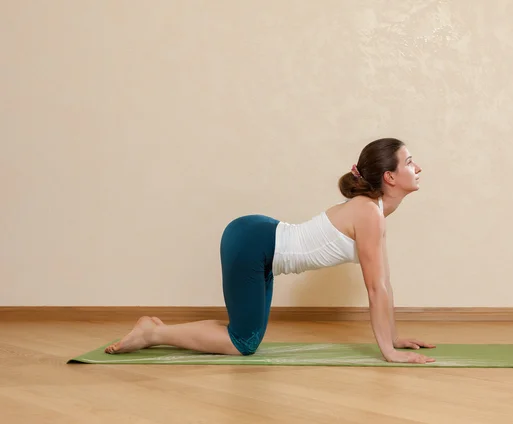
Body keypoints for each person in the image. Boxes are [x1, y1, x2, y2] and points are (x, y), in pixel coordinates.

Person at [105, 138, 436, 363]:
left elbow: (384, 283)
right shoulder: (369, 214)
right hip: (254, 244)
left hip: (259, 242)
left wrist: (393, 339)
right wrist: (388, 353)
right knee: (243, 343)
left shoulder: (372, 212)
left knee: (245, 335)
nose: (417, 167)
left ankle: (156, 330)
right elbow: (375, 288)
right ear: (390, 177)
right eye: (409, 162)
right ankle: (153, 332)